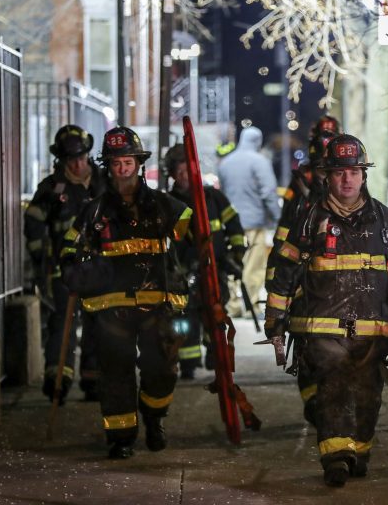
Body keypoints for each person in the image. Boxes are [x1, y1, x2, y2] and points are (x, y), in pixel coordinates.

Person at [263, 134, 388, 487]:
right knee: (333, 387)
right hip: (322, 329)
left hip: (376, 330)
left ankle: (360, 451)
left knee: (368, 396)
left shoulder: (385, 222)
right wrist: (275, 317)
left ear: (363, 175)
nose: (347, 179)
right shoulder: (309, 221)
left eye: (354, 171)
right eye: (340, 172)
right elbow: (285, 271)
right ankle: (336, 458)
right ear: (328, 176)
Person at [60, 127, 192, 459]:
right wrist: (76, 273)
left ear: (138, 164)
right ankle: (121, 438)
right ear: (109, 166)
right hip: (110, 307)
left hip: (157, 305)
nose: (123, 169)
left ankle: (154, 417)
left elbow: (195, 234)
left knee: (161, 369)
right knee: (115, 372)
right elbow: (68, 249)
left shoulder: (164, 206)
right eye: (117, 163)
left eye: (128, 162)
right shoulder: (94, 212)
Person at [24, 124, 105, 403]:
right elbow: (33, 223)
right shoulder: (51, 188)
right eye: (72, 160)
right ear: (62, 160)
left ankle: (93, 380)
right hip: (65, 270)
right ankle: (58, 380)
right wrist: (40, 258)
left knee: (97, 322)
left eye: (82, 158)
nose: (78, 164)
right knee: (64, 323)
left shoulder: (103, 182)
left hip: (99, 268)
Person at [265, 127, 338, 426]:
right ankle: (313, 400)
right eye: (322, 169)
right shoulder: (300, 199)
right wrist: (276, 288)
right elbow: (283, 245)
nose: (327, 176)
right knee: (306, 350)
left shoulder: (360, 203)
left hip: (343, 289)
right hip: (304, 285)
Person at [164, 143, 246, 379]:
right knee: (184, 320)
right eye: (178, 172)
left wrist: (236, 255)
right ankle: (187, 363)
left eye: (186, 171)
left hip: (214, 269)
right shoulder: (168, 203)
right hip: (182, 276)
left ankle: (216, 356)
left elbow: (235, 228)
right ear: (171, 173)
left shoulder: (214, 198)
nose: (183, 177)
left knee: (216, 316)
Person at [217, 126, 280, 314]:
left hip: (230, 225)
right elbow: (268, 192)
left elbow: (221, 194)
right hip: (254, 224)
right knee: (254, 265)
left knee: (233, 262)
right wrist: (278, 218)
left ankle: (233, 304)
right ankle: (250, 305)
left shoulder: (226, 163)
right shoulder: (260, 162)